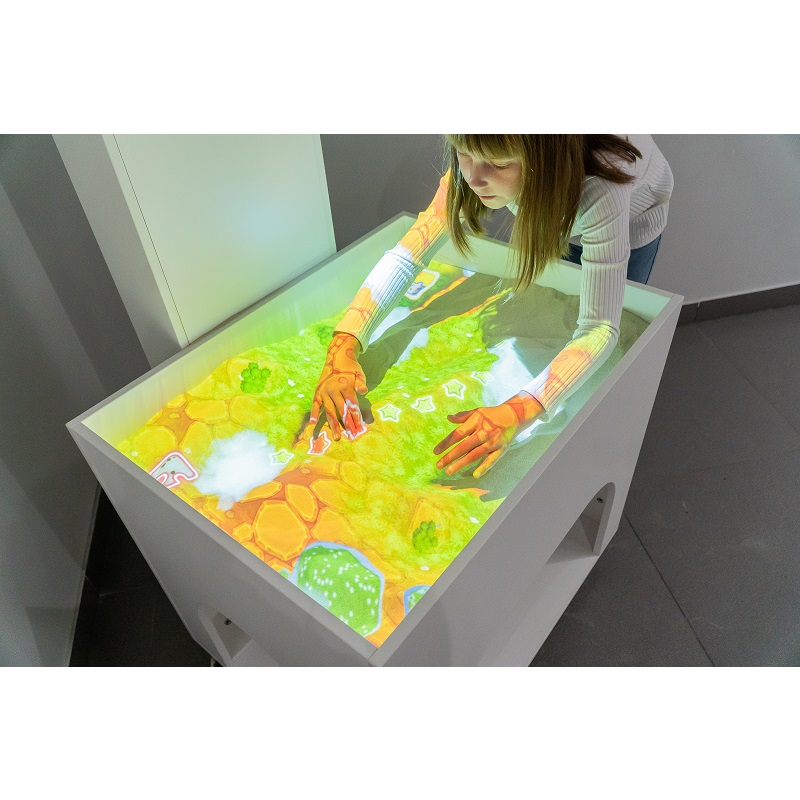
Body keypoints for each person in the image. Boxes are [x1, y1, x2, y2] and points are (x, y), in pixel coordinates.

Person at [303, 134, 673, 479]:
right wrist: (345, 342)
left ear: (540, 161)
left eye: (497, 164)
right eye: (463, 154)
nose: (473, 178)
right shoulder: (482, 151)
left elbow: (600, 326)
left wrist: (520, 411)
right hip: (558, 195)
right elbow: (408, 255)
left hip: (632, 217)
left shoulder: (603, 185)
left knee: (610, 356)